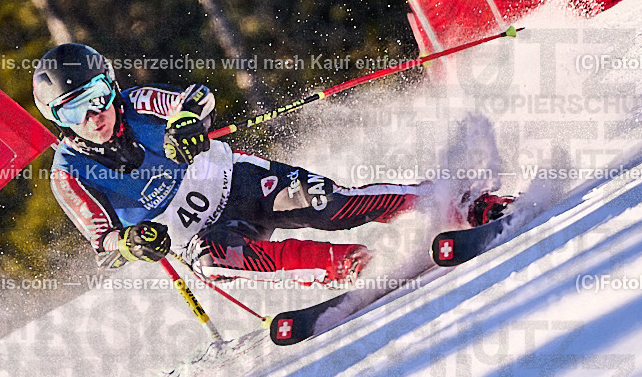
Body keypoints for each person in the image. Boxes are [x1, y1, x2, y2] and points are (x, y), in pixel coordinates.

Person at [34, 43, 507, 288]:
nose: (93, 117)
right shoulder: (69, 172)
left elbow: (197, 100)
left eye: (96, 98)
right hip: (199, 237)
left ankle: (461, 203)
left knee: (331, 205)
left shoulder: (138, 103)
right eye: (72, 111)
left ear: (111, 88)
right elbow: (104, 244)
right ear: (57, 120)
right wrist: (134, 242)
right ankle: (356, 267)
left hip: (240, 184)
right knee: (222, 263)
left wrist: (185, 124)